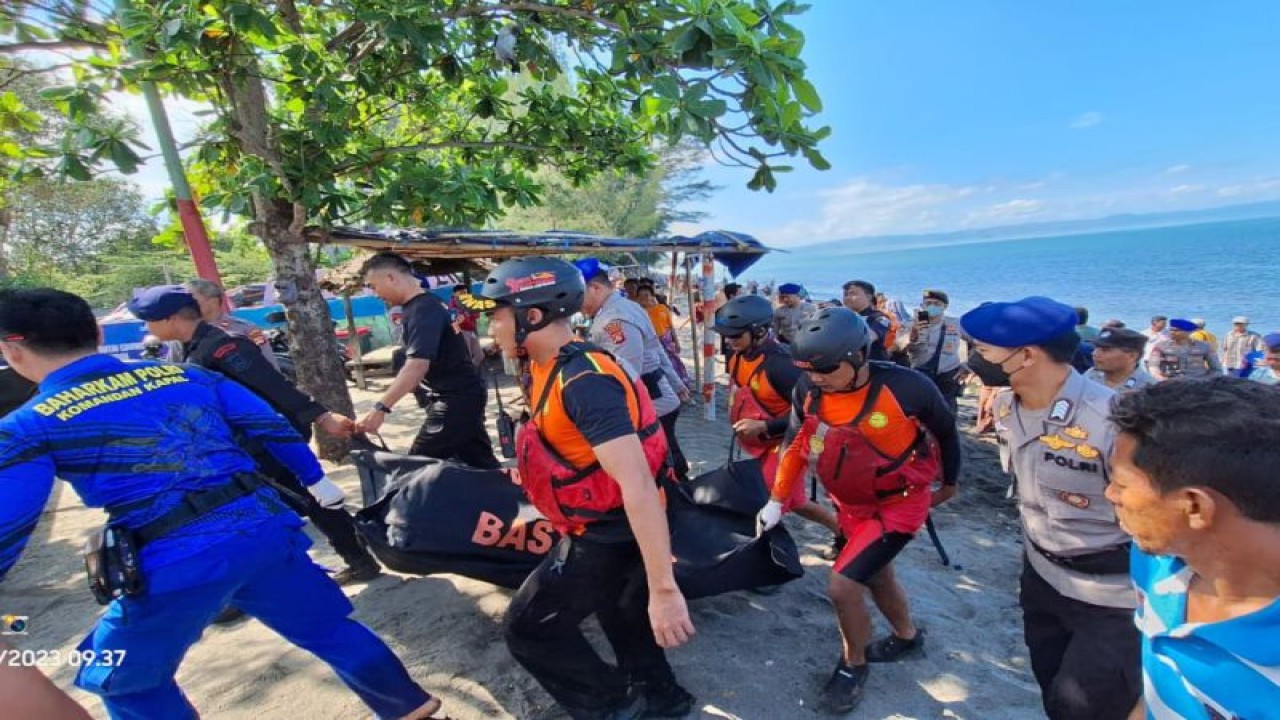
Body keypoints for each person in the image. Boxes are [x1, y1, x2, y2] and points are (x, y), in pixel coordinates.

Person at [0, 288, 440, 720]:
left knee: (122, 676)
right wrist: (313, 479)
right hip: (264, 533)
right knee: (330, 629)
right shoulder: (187, 375)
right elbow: (272, 426)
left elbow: (10, 525)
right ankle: (412, 708)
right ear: (95, 331)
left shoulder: (31, 424)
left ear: (11, 350)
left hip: (174, 562)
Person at [468, 257, 696, 720]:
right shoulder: (547, 366)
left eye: (496, 315)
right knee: (618, 609)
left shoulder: (585, 382)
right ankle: (664, 698)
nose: (489, 327)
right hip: (603, 523)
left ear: (531, 316)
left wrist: (665, 590)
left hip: (611, 530)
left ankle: (613, 706)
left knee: (530, 628)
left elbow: (636, 485)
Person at [756, 307, 960, 713]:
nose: (815, 377)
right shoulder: (809, 389)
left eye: (826, 368)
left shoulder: (908, 388)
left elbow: (947, 434)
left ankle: (853, 664)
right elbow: (795, 444)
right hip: (851, 504)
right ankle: (906, 637)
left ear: (858, 356)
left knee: (842, 586)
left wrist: (949, 484)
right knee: (876, 573)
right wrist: (777, 500)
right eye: (808, 369)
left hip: (897, 506)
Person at [129, 285, 381, 585]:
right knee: (295, 503)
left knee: (306, 500)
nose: (146, 327)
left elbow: (272, 386)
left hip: (266, 443)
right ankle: (351, 558)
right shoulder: (191, 348)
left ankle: (355, 559)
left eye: (149, 320)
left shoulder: (224, 347)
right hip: (241, 446)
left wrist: (322, 417)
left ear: (170, 318)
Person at [961, 296, 1139, 720]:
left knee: (1085, 707)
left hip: (1113, 597)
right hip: (1040, 576)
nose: (974, 360)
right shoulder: (1007, 406)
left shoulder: (1113, 420)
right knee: (1052, 686)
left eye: (983, 351)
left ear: (1026, 356)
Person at [1105, 377, 1280, 720]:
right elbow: (1158, 681)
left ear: (1195, 507)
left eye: (1120, 483)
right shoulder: (1158, 560)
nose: (1110, 495)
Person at [712, 295, 841, 546]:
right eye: (726, 335)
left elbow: (814, 415)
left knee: (771, 496)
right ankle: (843, 531)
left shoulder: (782, 366)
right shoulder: (736, 356)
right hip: (761, 441)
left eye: (735, 335)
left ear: (759, 331)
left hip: (789, 441)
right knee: (796, 501)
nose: (729, 341)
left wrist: (765, 426)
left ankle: (767, 552)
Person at [357, 252, 499, 469]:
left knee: (415, 468)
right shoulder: (430, 303)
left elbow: (416, 366)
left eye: (373, 286)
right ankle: (514, 498)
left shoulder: (422, 309)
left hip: (454, 399)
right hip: (464, 394)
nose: (375, 294)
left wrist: (380, 408)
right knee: (481, 464)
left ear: (390, 278)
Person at [578, 258, 692, 480]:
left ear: (595, 288)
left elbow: (627, 373)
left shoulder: (615, 319)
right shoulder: (627, 306)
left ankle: (680, 502)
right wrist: (676, 383)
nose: (576, 302)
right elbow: (657, 348)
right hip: (659, 396)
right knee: (668, 456)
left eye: (579, 294)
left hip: (649, 402)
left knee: (661, 464)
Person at [184, 278, 277, 367]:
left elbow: (269, 364)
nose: (186, 305)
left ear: (213, 301)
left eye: (192, 300)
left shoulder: (245, 329)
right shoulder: (184, 334)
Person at [907, 289, 965, 414]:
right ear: (922, 306)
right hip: (920, 371)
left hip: (948, 373)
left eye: (937, 304)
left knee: (947, 410)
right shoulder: (910, 324)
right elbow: (897, 346)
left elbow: (978, 342)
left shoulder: (956, 324)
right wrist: (913, 334)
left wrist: (969, 366)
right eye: (928, 303)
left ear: (945, 307)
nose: (932, 307)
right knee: (919, 409)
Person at [634, 284, 692, 389]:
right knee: (659, 366)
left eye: (647, 295)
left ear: (652, 296)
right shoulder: (637, 313)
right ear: (637, 298)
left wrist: (677, 342)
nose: (644, 298)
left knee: (674, 362)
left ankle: (682, 384)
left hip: (667, 341)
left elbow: (671, 327)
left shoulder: (662, 308)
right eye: (641, 296)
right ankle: (669, 387)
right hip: (651, 343)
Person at [1147, 318, 1222, 380]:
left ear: (1188, 332)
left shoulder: (1204, 346)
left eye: (1176, 330)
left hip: (1198, 384)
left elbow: (1216, 369)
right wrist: (1161, 379)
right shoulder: (1161, 346)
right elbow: (1153, 366)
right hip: (1171, 384)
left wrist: (1207, 381)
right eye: (1171, 330)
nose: (1172, 332)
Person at [1085, 327, 1156, 391]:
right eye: (1096, 348)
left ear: (1132, 356)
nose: (1094, 353)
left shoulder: (1149, 388)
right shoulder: (1091, 375)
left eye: (1105, 350)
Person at [842, 280, 895, 362]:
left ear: (869, 296)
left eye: (853, 294)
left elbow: (868, 338)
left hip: (872, 366)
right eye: (845, 294)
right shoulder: (843, 317)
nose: (848, 298)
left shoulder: (878, 317)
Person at [448, 283, 486, 367]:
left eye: (465, 292)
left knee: (479, 355)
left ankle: (472, 370)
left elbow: (476, 315)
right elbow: (457, 319)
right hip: (462, 331)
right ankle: (469, 372)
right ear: (454, 294)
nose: (464, 295)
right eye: (461, 293)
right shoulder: (452, 305)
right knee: (467, 354)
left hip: (471, 330)